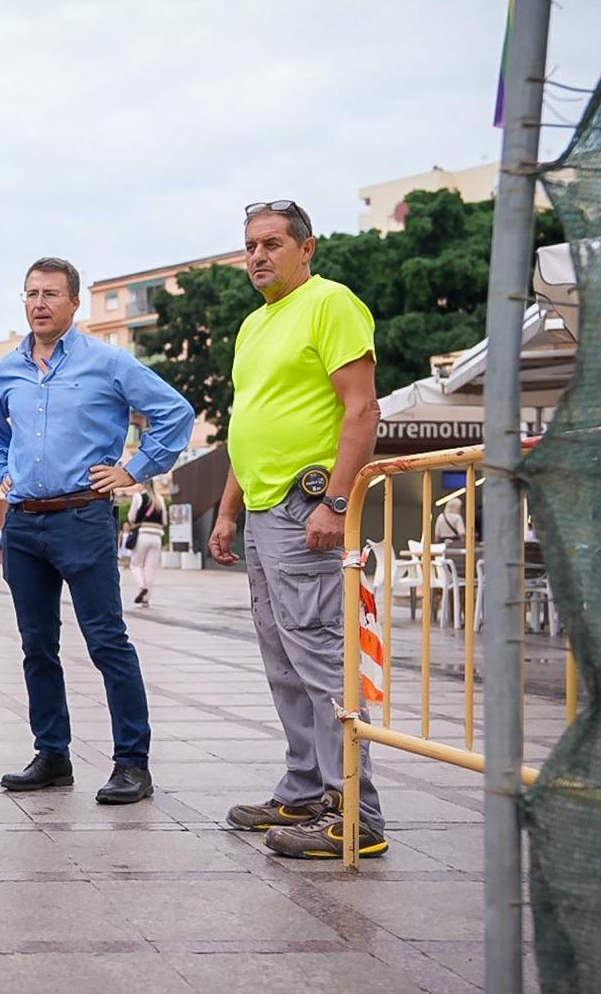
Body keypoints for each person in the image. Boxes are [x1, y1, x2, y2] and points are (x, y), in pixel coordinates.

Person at [208, 199, 388, 859]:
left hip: (305, 505)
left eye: (272, 243)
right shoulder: (254, 326)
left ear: (306, 248)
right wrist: (227, 510)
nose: (257, 256)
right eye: (249, 245)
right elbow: (245, 425)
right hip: (261, 510)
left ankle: (357, 812)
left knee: (319, 655)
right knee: (283, 660)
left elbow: (362, 409)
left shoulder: (331, 303)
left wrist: (336, 503)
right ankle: (307, 788)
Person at [0, 257, 193, 804]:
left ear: (75, 303)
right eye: (31, 293)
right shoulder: (9, 368)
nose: (40, 303)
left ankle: (132, 764)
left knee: (107, 640)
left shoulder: (108, 362)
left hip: (83, 516)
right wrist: (1, 468)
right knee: (37, 646)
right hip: (24, 523)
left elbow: (175, 413)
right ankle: (52, 755)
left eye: (51, 293)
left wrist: (134, 468)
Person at [124, 480, 168, 607]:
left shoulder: (138, 497)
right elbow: (164, 521)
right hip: (157, 537)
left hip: (142, 534)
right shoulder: (160, 499)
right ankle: (146, 599)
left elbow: (131, 517)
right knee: (150, 568)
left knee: (136, 564)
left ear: (143, 484)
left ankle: (142, 586)